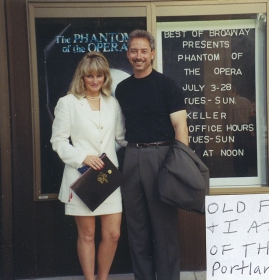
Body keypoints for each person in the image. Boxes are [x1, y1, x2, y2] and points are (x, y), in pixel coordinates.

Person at [115, 29, 189, 280]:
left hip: (162, 156)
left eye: (144, 51)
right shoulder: (122, 89)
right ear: (127, 54)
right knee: (136, 227)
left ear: (153, 54)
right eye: (134, 51)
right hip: (132, 157)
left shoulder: (167, 86)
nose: (139, 56)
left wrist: (178, 168)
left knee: (164, 227)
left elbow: (181, 128)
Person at [50, 52, 127, 280]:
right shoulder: (67, 103)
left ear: (106, 78)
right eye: (90, 76)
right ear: (82, 77)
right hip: (81, 178)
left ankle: (102, 277)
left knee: (112, 234)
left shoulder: (113, 103)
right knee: (87, 234)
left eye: (100, 76)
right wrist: (83, 156)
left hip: (108, 179)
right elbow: (58, 141)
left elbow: (122, 138)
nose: (95, 81)